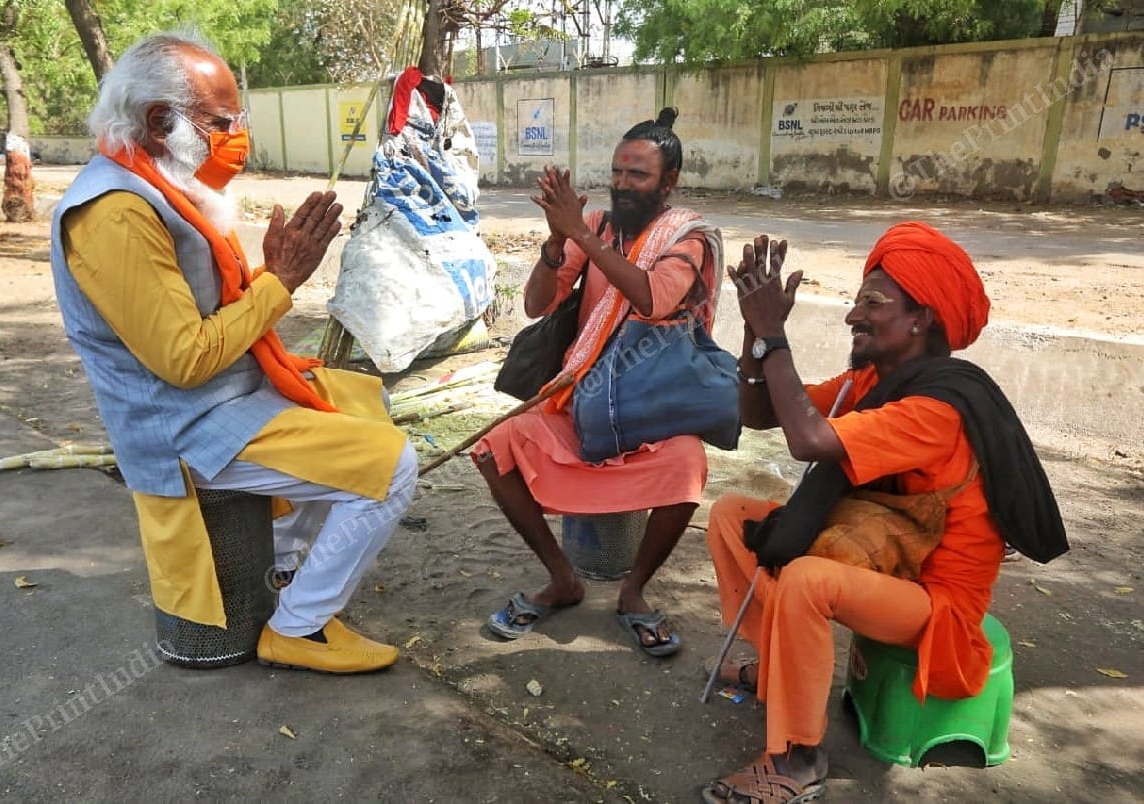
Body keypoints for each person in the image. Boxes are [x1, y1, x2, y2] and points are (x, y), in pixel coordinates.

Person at [49, 31, 417, 675]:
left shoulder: (160, 183)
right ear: (160, 121)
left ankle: (277, 567)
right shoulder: (113, 211)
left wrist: (266, 274)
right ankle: (299, 627)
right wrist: (280, 281)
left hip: (224, 398)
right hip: (183, 427)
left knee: (362, 396)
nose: (237, 136)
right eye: (221, 122)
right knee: (393, 467)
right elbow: (184, 359)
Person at [699, 223, 1067, 803]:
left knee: (805, 579)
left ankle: (796, 759)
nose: (853, 316)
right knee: (730, 515)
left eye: (873, 303)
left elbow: (809, 440)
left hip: (935, 600)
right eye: (856, 300)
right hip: (883, 551)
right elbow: (761, 413)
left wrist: (776, 335)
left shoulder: (936, 408)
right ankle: (775, 672)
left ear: (921, 318)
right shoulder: (872, 379)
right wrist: (754, 333)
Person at [474, 108, 725, 657]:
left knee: (688, 466)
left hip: (650, 407)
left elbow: (653, 297)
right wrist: (553, 243)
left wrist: (581, 236)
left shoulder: (686, 237)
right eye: (617, 172)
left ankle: (633, 591)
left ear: (669, 182)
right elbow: (537, 304)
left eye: (637, 175)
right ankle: (563, 580)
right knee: (493, 450)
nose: (622, 184)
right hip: (579, 398)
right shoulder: (601, 230)